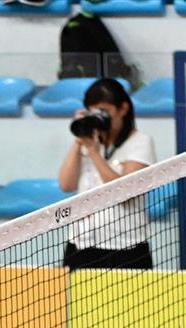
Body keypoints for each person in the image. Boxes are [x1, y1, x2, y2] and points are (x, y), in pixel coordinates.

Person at [57, 77, 156, 271]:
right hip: (81, 245)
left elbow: (124, 193)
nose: (99, 117)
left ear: (123, 109)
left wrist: (93, 153)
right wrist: (79, 139)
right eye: (93, 112)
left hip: (125, 248)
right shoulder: (89, 140)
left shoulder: (140, 142)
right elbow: (66, 184)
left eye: (104, 111)